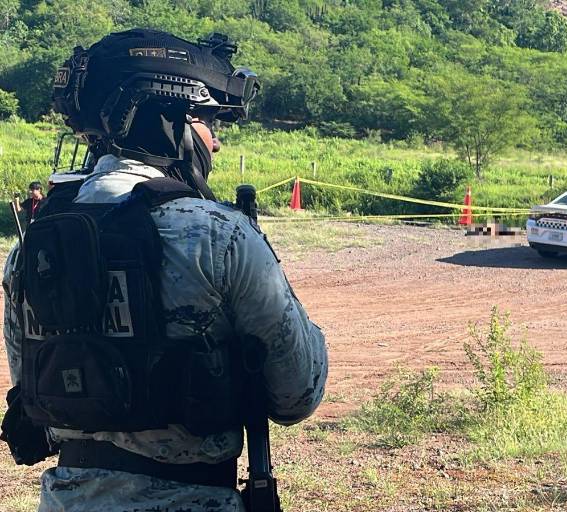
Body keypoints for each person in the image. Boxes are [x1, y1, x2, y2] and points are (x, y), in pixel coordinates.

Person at [1, 28, 327, 512]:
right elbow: (297, 394)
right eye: (206, 122)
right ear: (167, 120)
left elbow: (38, 398)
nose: (214, 143)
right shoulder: (222, 237)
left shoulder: (33, 248)